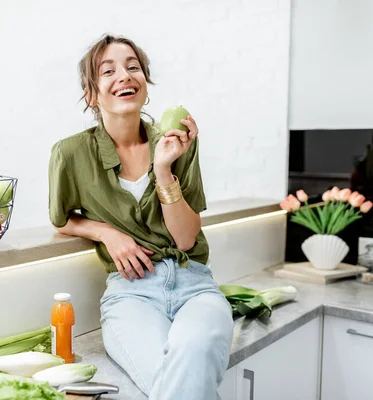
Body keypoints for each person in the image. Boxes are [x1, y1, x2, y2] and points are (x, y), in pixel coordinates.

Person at [48, 34, 234, 400]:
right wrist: (106, 232)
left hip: (194, 286)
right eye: (108, 70)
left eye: (133, 67)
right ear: (92, 93)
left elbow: (184, 240)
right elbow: (62, 219)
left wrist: (164, 170)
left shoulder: (176, 142)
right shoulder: (69, 153)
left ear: (145, 86)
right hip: (131, 294)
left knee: (194, 351)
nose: (125, 75)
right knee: (180, 378)